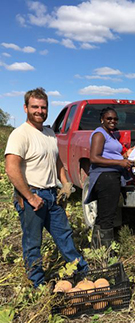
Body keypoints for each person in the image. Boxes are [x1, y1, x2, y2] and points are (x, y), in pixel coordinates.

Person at [5, 88, 88, 288]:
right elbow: (11, 168)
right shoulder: (20, 134)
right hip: (32, 197)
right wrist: (30, 197)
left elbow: (57, 160)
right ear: (25, 108)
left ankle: (82, 273)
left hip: (51, 196)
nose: (39, 111)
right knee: (33, 243)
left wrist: (66, 182)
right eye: (35, 107)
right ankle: (38, 285)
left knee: (65, 236)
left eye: (43, 107)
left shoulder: (49, 133)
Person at [84, 107, 133, 249]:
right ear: (102, 119)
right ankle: (107, 253)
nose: (113, 121)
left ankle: (96, 249)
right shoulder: (99, 134)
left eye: (115, 119)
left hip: (111, 176)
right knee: (107, 217)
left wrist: (124, 157)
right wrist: (120, 162)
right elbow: (94, 158)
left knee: (103, 214)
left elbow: (109, 154)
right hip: (105, 177)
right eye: (109, 118)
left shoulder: (109, 134)